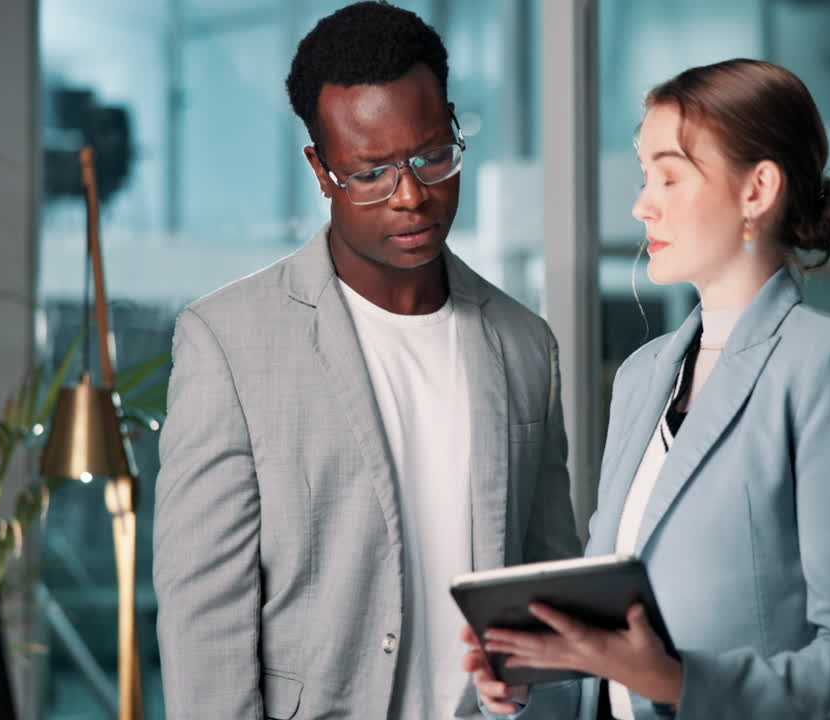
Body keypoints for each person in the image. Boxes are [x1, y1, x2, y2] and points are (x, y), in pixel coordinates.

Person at [153, 3, 580, 718]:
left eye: (432, 156)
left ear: (453, 124)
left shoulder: (524, 343)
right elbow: (205, 627)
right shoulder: (225, 342)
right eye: (371, 173)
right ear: (321, 171)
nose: (411, 195)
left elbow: (552, 591)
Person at [464, 58, 830, 719]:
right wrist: (529, 679)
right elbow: (607, 658)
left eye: (669, 176)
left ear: (757, 189)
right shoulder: (644, 375)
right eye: (646, 176)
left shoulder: (829, 365)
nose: (644, 202)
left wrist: (674, 681)